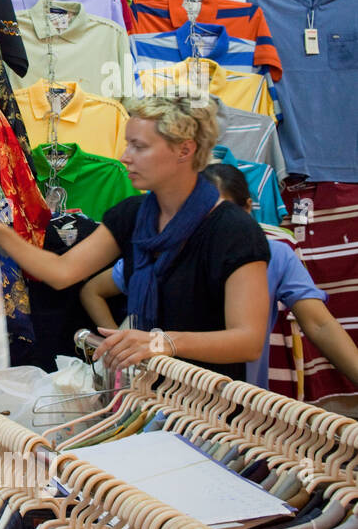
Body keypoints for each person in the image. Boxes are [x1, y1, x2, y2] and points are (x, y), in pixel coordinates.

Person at [0, 93, 271, 377]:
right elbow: (61, 273)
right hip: (145, 395)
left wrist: (161, 342)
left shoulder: (234, 231)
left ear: (185, 150)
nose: (124, 156)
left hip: (211, 410)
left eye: (139, 147)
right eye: (128, 143)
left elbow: (247, 341)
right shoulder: (133, 215)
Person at [81, 163, 358, 390]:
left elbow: (320, 324)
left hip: (240, 401)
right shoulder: (159, 255)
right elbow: (93, 290)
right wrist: (119, 345)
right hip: (164, 394)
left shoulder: (276, 255)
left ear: (247, 209)